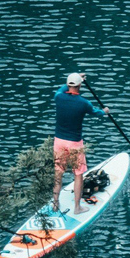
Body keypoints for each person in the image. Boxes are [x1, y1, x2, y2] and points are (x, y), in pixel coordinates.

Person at [53, 72, 110, 214]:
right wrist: (105, 112)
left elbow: (63, 88)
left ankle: (55, 204)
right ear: (80, 86)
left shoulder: (58, 97)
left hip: (59, 141)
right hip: (75, 143)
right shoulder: (84, 103)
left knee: (58, 173)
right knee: (78, 174)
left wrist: (75, 78)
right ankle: (77, 208)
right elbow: (97, 112)